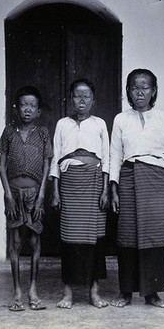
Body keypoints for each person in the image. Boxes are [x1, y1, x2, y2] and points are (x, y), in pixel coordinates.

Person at [110, 68, 164, 308]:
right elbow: (115, 154)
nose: (140, 92)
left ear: (154, 90)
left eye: (145, 87)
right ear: (128, 91)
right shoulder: (121, 119)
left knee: (155, 235)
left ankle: (152, 292)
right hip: (128, 176)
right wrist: (114, 186)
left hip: (158, 178)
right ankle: (126, 291)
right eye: (135, 87)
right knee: (127, 234)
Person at [50, 78, 109, 309]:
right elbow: (55, 159)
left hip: (94, 185)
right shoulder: (62, 124)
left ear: (93, 100)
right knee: (69, 240)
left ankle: (95, 292)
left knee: (95, 240)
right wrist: (55, 191)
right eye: (77, 95)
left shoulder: (100, 124)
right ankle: (68, 293)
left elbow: (106, 159)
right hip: (69, 185)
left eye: (86, 96)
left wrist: (105, 190)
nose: (81, 100)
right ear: (70, 99)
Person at [0, 86, 53, 311]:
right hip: (13, 193)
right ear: (16, 108)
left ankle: (33, 291)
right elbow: (1, 166)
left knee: (34, 241)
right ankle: (17, 292)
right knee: (16, 242)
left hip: (34, 194)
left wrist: (41, 197)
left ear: (38, 111)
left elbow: (47, 164)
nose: (27, 109)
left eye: (32, 105)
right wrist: (8, 196)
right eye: (23, 105)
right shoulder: (9, 132)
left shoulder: (42, 133)